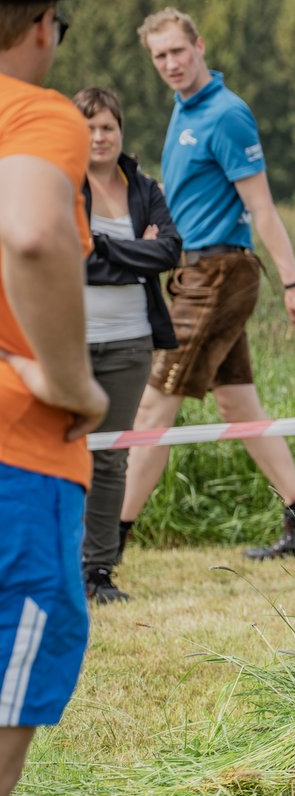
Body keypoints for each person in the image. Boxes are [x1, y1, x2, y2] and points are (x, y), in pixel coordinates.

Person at [119, 7, 295, 560]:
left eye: (178, 50)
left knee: (153, 410)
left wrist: (294, 283)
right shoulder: (183, 109)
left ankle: (100, 554)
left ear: (200, 47)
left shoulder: (226, 114)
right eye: (160, 56)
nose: (170, 63)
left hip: (216, 275)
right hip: (193, 271)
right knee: (239, 407)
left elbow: (261, 207)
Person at [0, 0, 107, 796]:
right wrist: (72, 383)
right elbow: (33, 234)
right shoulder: (36, 115)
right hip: (16, 455)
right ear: (43, 24)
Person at [73, 86, 180, 604]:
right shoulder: (62, 185)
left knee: (111, 457)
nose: (99, 136)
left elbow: (169, 251)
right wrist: (135, 250)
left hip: (130, 343)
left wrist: (105, 247)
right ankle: (56, 563)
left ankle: (98, 571)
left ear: (121, 131)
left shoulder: (144, 187)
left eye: (108, 127)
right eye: (90, 127)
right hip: (69, 342)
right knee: (62, 453)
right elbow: (75, 258)